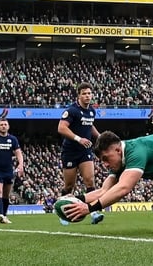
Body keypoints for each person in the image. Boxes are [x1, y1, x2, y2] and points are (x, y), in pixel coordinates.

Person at [57, 82, 104, 225]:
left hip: (85, 151)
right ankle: (63, 213)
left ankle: (93, 212)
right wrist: (79, 139)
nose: (87, 96)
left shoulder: (92, 111)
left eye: (89, 93)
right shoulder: (72, 111)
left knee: (90, 181)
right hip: (70, 152)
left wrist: (100, 137)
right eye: (84, 94)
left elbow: (89, 125)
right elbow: (61, 128)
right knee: (69, 186)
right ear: (78, 95)